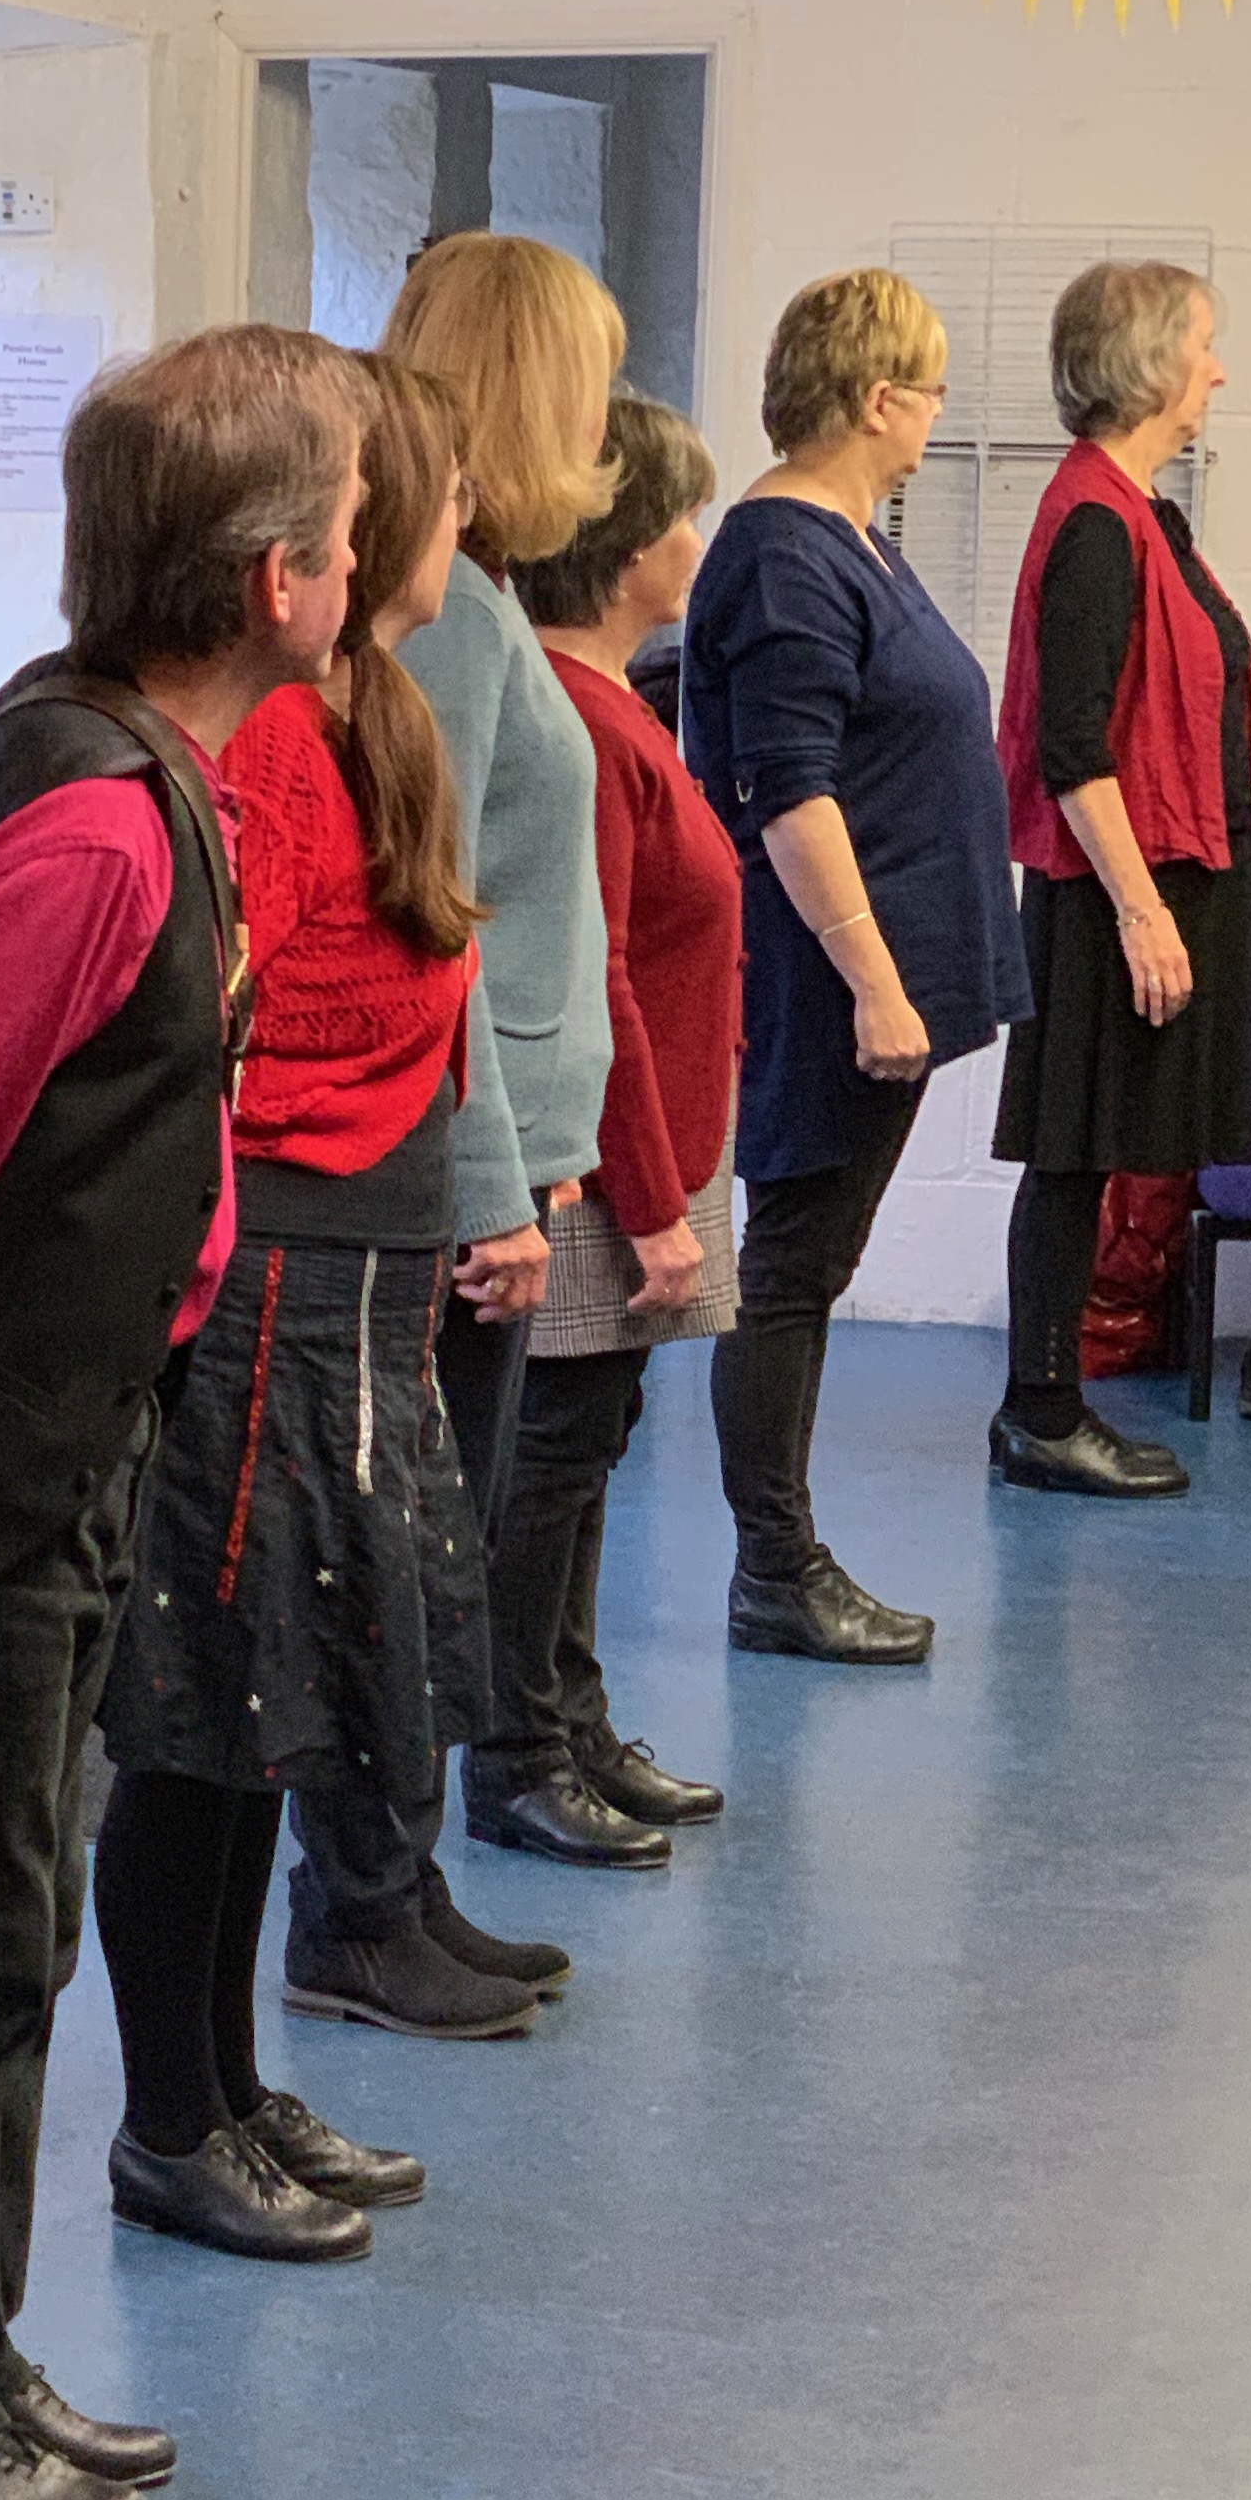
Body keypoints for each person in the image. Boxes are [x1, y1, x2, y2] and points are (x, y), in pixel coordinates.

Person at [0, 325, 367, 2500]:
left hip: (49, 1448)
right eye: (337, 541)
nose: (357, 570)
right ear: (269, 581)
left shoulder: (139, 768)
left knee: (9, 1925)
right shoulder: (90, 829)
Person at [88, 352, 515, 2266]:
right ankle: (167, 2116)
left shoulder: (369, 706)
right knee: (197, 1716)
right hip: (265, 1268)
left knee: (276, 1715)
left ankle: (229, 2082)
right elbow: (228, 1021)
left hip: (346, 1262)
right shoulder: (255, 744)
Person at [279, 234, 620, 2020]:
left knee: (449, 1539)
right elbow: (440, 915)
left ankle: (390, 1882)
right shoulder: (462, 625)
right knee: (418, 1548)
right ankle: (357, 1902)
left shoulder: (478, 595)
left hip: (502, 1139)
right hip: (455, 1164)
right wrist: (491, 1176)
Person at [684, 268, 1029, 1659]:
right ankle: (776, 1567)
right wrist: (874, 980)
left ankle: (782, 1559)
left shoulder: (852, 539)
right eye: (933, 390)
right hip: (829, 986)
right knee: (791, 1276)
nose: (939, 415)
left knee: (807, 1270)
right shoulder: (784, 553)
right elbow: (791, 791)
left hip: (872, 975)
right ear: (879, 399)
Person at [470, 392, 745, 1862]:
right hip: (608, 1169)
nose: (700, 540)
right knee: (553, 1461)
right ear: (627, 546)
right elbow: (603, 981)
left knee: (591, 1451)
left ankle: (571, 1716)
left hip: (659, 1153)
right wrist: (646, 1197)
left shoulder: (626, 708)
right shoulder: (579, 721)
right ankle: (515, 1752)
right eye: (681, 517)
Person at [989, 262, 1249, 1496]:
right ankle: (1040, 1411)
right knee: (1071, 1152)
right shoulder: (1097, 523)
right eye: (1204, 346)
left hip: (1143, 879)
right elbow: (1073, 746)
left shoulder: (1142, 510)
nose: (1217, 370)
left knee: (1089, 1152)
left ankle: (1048, 1405)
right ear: (1149, 365)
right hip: (1107, 894)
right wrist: (1143, 909)